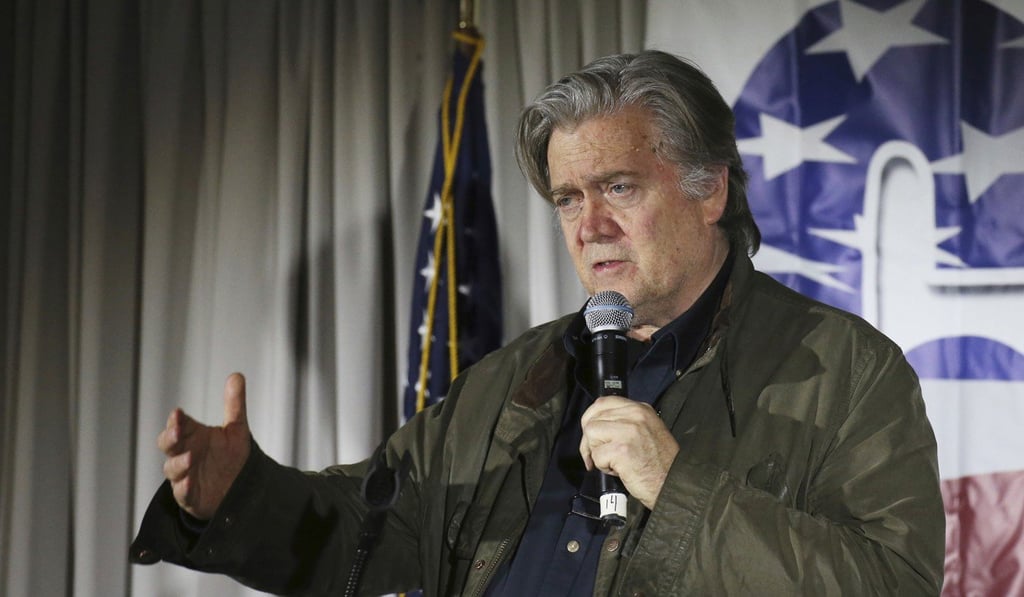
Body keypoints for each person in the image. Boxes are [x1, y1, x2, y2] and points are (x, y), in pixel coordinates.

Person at [131, 50, 945, 595]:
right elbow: (367, 529)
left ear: (711, 191)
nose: (588, 225)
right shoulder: (511, 381)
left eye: (619, 187)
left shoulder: (847, 372)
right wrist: (239, 496)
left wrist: (680, 490)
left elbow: (894, 581)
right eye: (567, 198)